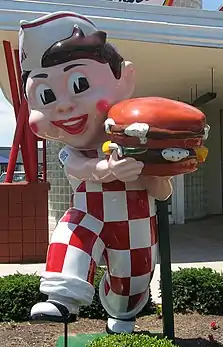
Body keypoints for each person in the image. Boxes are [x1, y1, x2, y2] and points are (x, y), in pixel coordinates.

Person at [19, 11, 172, 334]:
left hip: (136, 219)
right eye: (46, 96)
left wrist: (153, 175)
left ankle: (123, 313)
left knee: (134, 274)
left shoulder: (137, 140)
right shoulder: (71, 150)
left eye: (79, 84)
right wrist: (107, 168)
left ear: (125, 79)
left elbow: (162, 192)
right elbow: (77, 166)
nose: (62, 107)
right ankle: (61, 297)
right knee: (70, 236)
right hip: (88, 211)